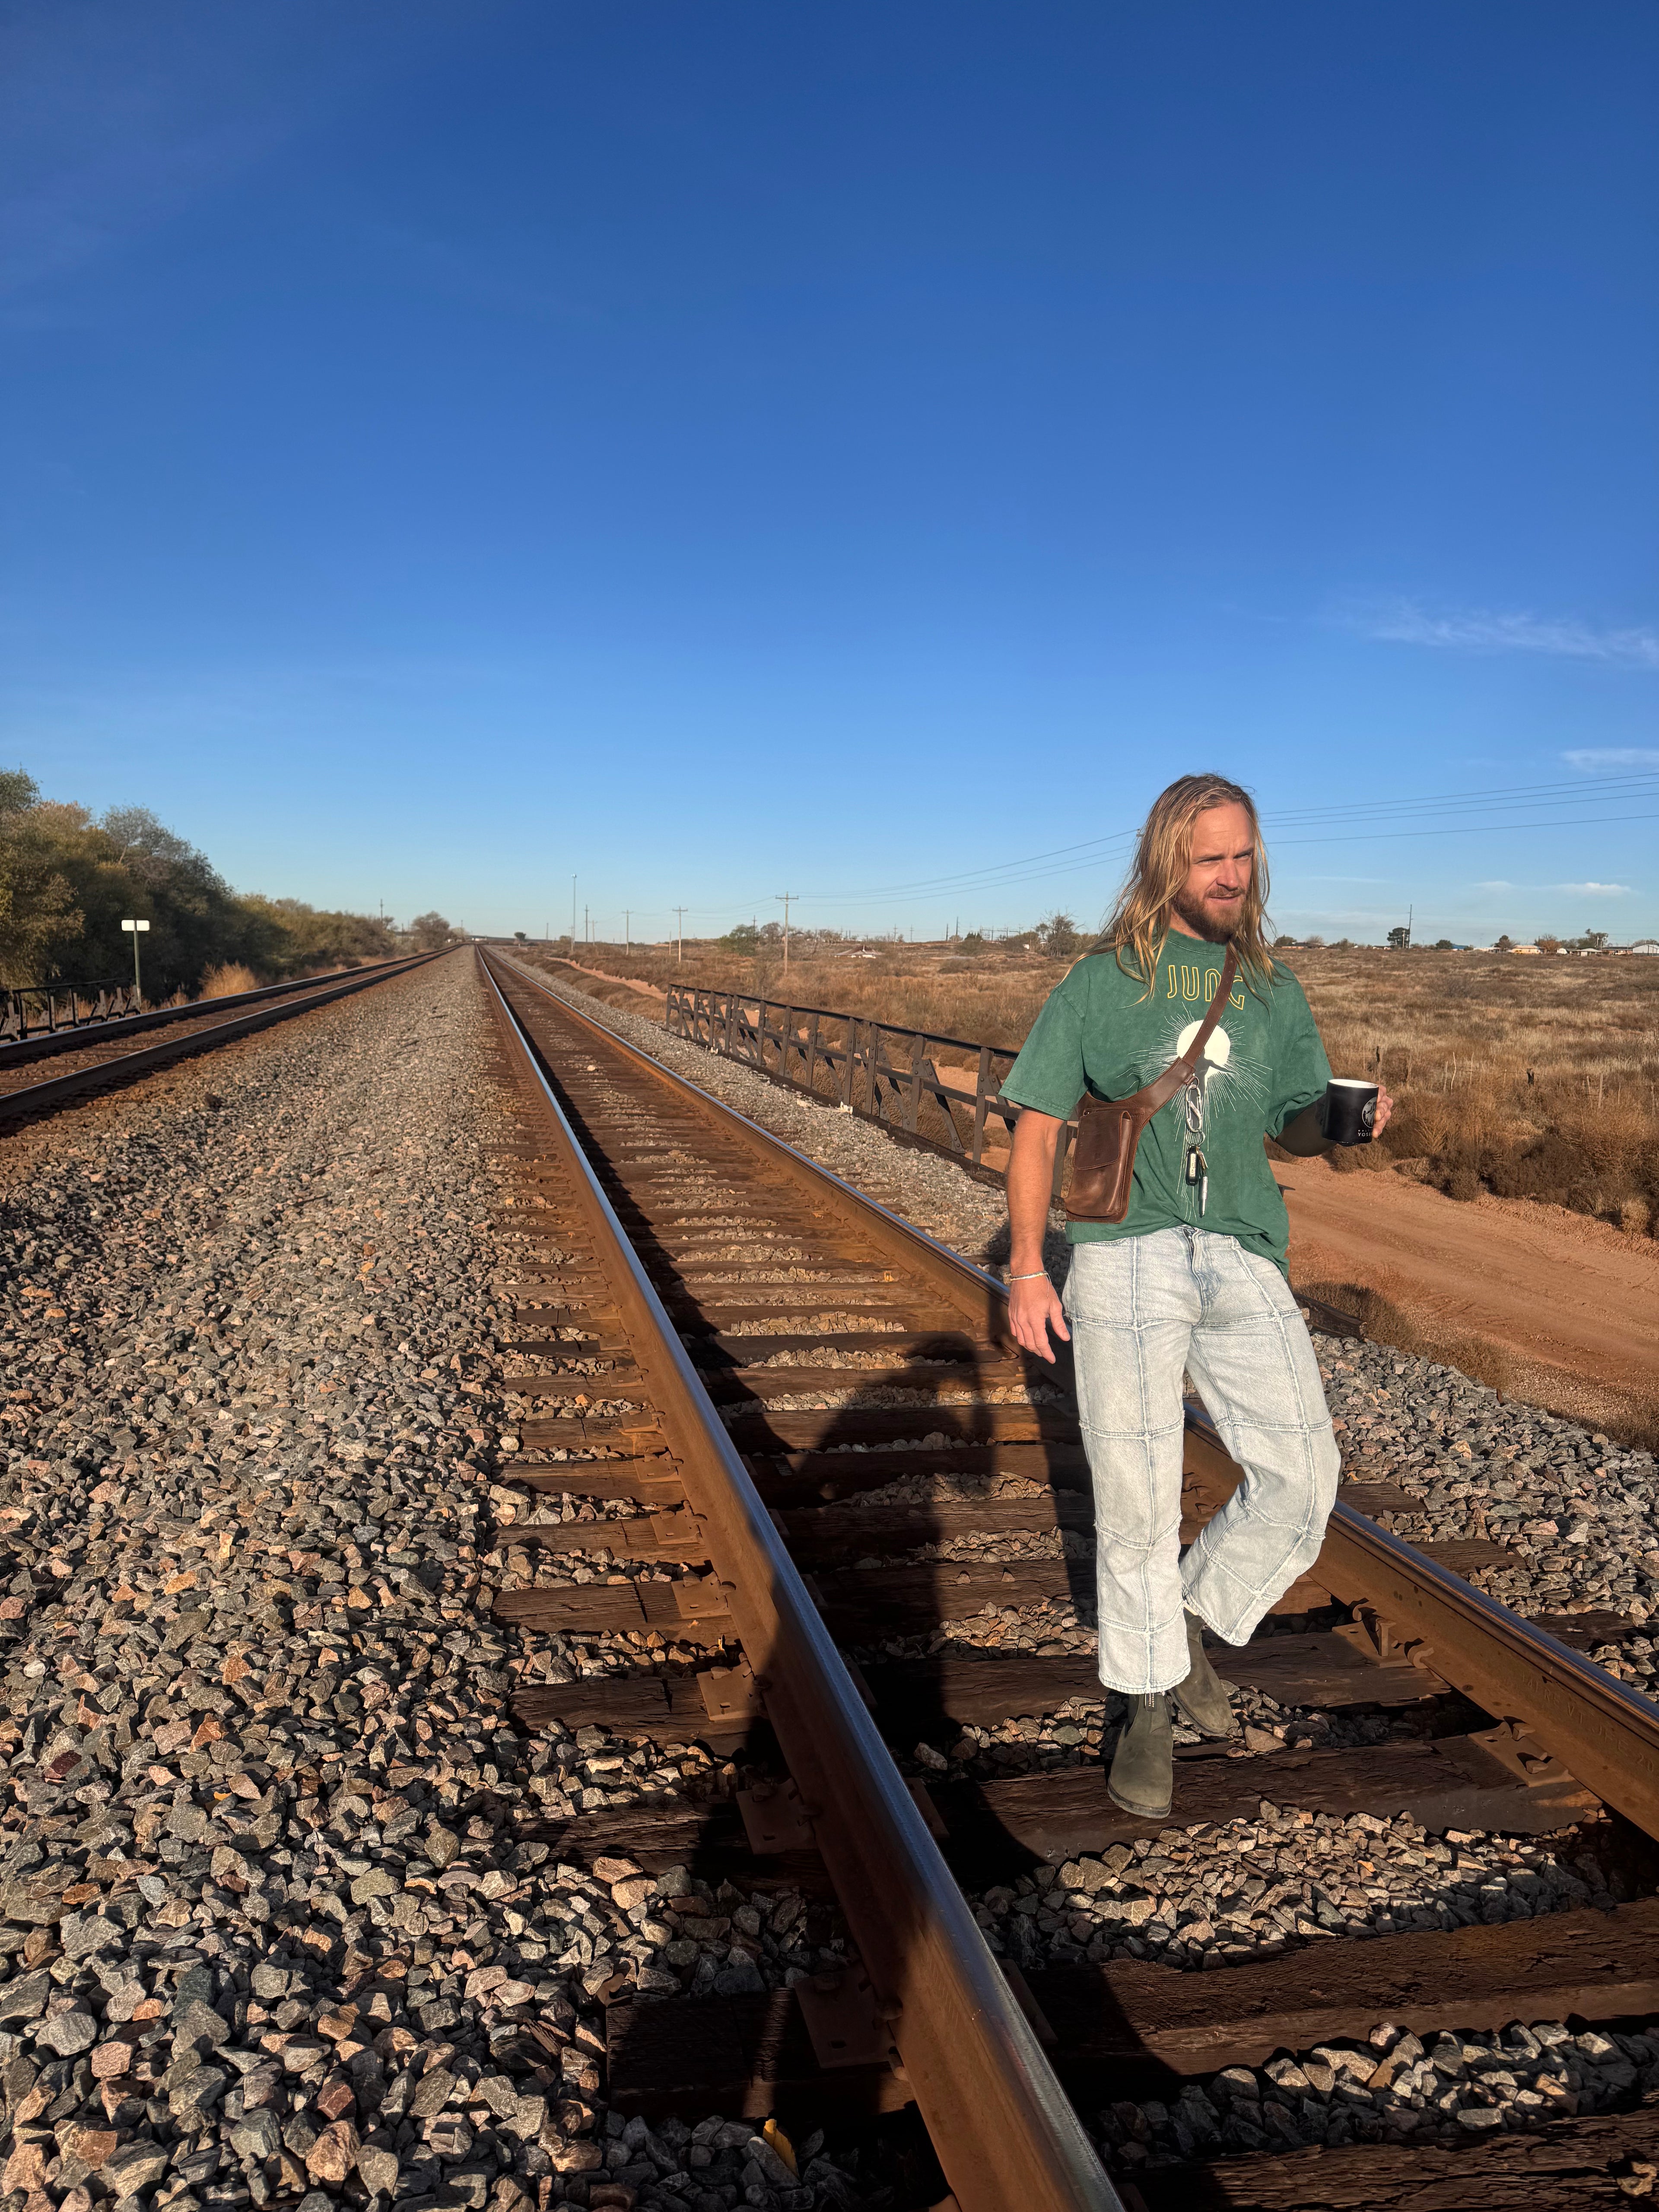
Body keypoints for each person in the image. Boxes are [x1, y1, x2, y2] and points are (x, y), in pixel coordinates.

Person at [1000, 774, 1393, 1817]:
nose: (1231, 874)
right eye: (1210, 855)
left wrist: (1345, 1121)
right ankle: (1141, 1699)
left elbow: (1294, 1122)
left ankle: (1175, 1631)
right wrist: (1029, 1266)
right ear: (1167, 860)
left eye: (1245, 854)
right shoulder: (1099, 982)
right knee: (1135, 1495)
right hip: (1125, 1249)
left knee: (1304, 1477)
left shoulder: (1272, 987)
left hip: (1245, 1250)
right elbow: (1035, 1124)